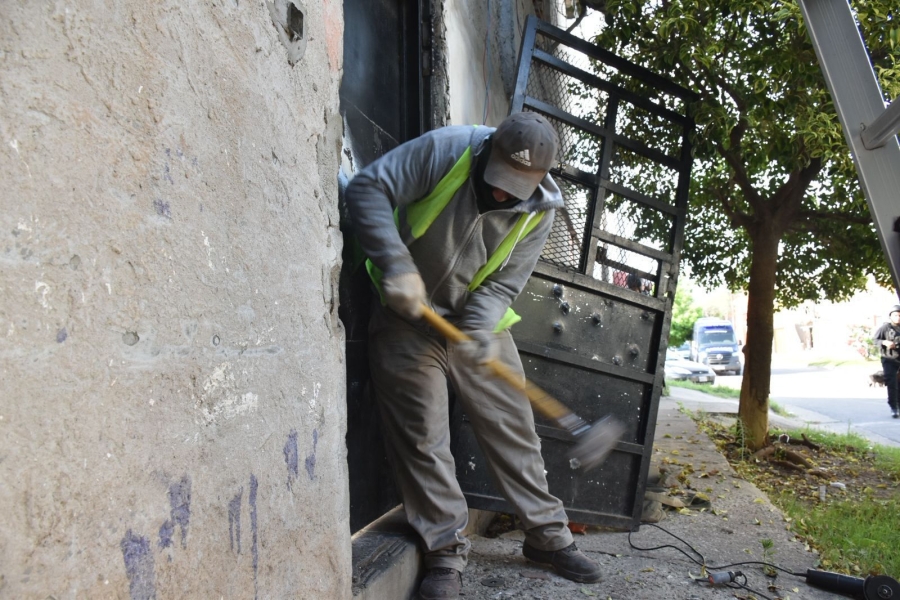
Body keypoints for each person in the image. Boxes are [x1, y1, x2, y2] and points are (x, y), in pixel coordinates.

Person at [345, 113, 602, 600]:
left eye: (516, 190)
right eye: (498, 183)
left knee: (514, 428)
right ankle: (444, 552)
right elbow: (366, 189)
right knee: (422, 437)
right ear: (487, 152)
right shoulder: (445, 151)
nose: (503, 196)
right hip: (406, 319)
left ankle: (548, 537)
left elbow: (505, 281)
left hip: (475, 326)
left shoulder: (541, 208)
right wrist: (396, 263)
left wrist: (479, 327)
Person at [873, 304, 900, 418]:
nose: (898, 317)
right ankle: (894, 407)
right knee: (892, 382)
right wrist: (885, 342)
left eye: (899, 315)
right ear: (890, 316)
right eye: (895, 315)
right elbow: (875, 340)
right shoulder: (885, 328)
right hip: (889, 359)